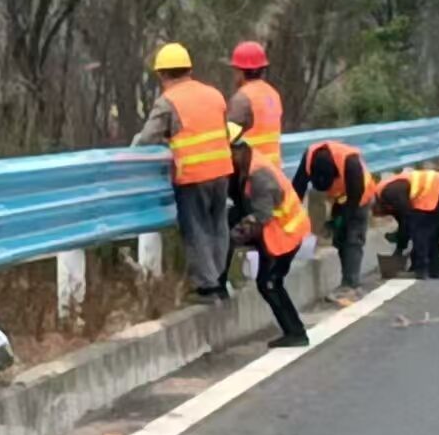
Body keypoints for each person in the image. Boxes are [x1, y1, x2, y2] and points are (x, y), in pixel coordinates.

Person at [132, 42, 235, 301]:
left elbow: (146, 140)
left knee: (196, 229)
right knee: (218, 226)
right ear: (189, 69)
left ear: (163, 74)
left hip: (193, 175)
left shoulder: (168, 102)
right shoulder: (214, 95)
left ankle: (207, 287)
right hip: (222, 170)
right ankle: (220, 280)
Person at [226, 123, 310, 348]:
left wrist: (234, 238)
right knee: (269, 282)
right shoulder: (247, 165)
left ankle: (296, 333)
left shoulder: (259, 175)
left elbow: (260, 216)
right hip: (278, 230)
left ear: (235, 150)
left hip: (284, 233)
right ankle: (294, 331)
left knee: (270, 283)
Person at [291, 139, 372, 304]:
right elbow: (296, 190)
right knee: (339, 240)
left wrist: (337, 222)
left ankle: (351, 286)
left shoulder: (351, 164)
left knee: (352, 238)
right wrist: (292, 221)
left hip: (358, 197)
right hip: (337, 197)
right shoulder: (309, 157)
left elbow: (352, 205)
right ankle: (349, 280)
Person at [371, 167, 439, 279]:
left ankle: (420, 269)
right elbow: (404, 222)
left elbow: (408, 218)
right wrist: (400, 241)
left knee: (420, 232)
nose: (384, 215)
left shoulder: (389, 192)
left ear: (378, 204)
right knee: (433, 233)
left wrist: (400, 247)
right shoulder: (390, 196)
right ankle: (435, 270)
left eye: (380, 213)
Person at [225, 41, 285, 168]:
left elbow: (227, 138)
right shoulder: (273, 94)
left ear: (240, 72)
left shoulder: (242, 98)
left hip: (253, 170)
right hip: (274, 168)